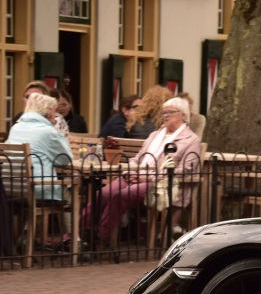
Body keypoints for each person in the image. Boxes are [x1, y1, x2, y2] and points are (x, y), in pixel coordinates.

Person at [83, 97, 201, 244]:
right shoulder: (155, 135)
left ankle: (99, 236)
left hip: (159, 183)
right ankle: (81, 234)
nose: (165, 115)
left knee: (120, 196)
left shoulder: (191, 140)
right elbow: (137, 158)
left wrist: (149, 178)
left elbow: (184, 170)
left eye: (170, 112)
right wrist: (129, 172)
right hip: (136, 175)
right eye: (163, 112)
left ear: (183, 115)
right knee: (102, 194)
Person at [5, 92, 72, 203]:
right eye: (55, 110)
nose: (56, 115)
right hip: (38, 189)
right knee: (70, 196)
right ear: (49, 112)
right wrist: (56, 131)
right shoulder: (47, 131)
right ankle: (76, 221)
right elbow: (64, 159)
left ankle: (33, 221)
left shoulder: (15, 128)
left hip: (11, 188)